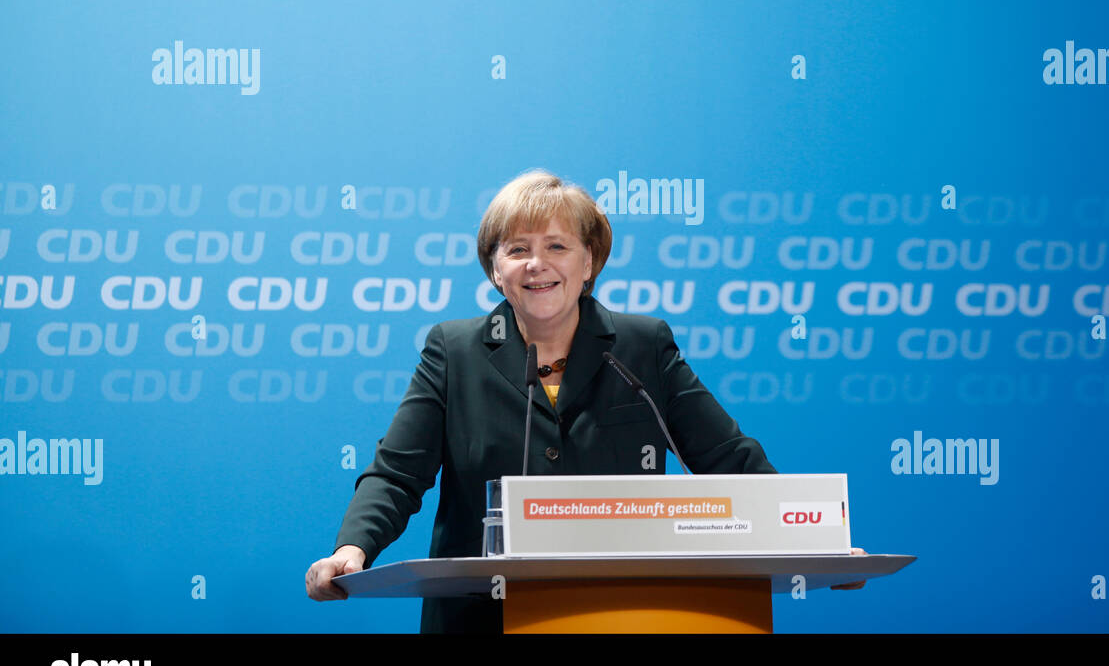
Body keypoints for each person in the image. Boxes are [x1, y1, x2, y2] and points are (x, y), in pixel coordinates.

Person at [305, 169, 781, 632]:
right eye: (518, 249)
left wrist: (812, 537)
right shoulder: (454, 351)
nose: (538, 264)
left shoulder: (641, 347)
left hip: (622, 612)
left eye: (557, 246)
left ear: (588, 261)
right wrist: (353, 548)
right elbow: (398, 474)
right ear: (495, 268)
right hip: (482, 614)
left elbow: (728, 460)